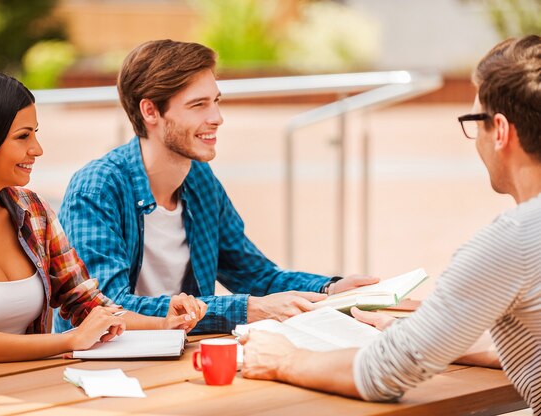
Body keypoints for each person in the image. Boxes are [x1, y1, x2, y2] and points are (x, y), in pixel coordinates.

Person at [241, 35, 541, 414]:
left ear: (499, 130)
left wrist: (284, 359)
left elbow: (382, 373)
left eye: (473, 121)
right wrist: (427, 337)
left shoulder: (510, 244)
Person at [53, 39, 378, 334]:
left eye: (216, 101)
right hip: (98, 367)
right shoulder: (97, 188)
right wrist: (248, 310)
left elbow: (255, 275)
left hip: (177, 355)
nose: (218, 117)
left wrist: (332, 290)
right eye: (198, 105)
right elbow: (105, 309)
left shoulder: (199, 180)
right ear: (150, 111)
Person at [0, 66, 206, 373]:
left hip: (31, 384)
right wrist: (68, 341)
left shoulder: (33, 212)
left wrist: (163, 323)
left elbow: (89, 304)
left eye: (35, 134)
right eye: (23, 136)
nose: (37, 149)